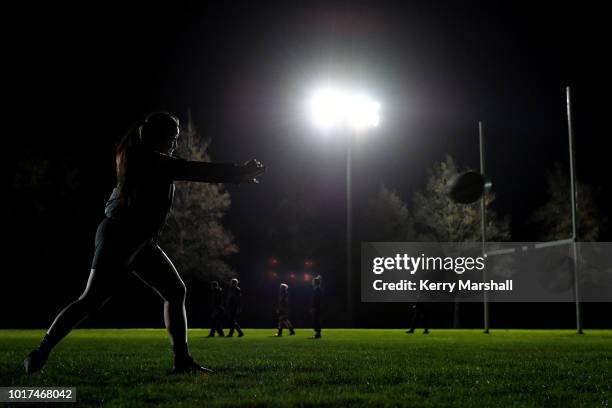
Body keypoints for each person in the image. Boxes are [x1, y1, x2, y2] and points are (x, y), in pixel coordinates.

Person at [23, 112, 265, 374]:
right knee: (90, 300)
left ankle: (182, 361)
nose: (174, 143)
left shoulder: (138, 158)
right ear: (158, 137)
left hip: (137, 239)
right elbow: (193, 170)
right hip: (122, 237)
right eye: (172, 138)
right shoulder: (153, 162)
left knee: (175, 291)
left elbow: (113, 201)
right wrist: (238, 172)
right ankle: (40, 353)